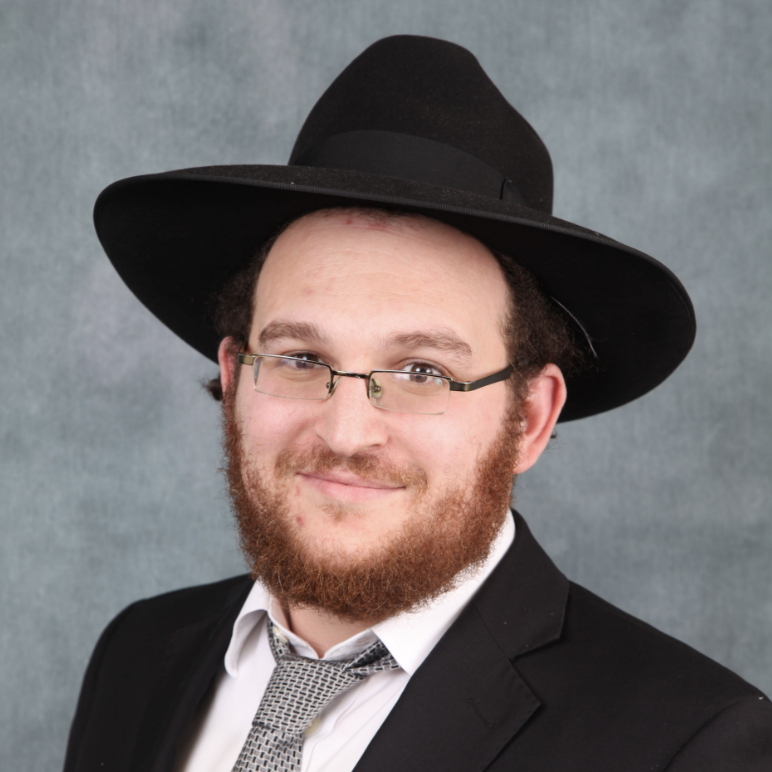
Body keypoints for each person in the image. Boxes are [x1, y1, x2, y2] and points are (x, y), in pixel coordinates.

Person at [64, 35, 771, 772]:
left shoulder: (689, 745)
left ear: (529, 418)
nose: (346, 432)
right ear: (236, 379)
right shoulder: (139, 655)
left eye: (422, 372)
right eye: (301, 359)